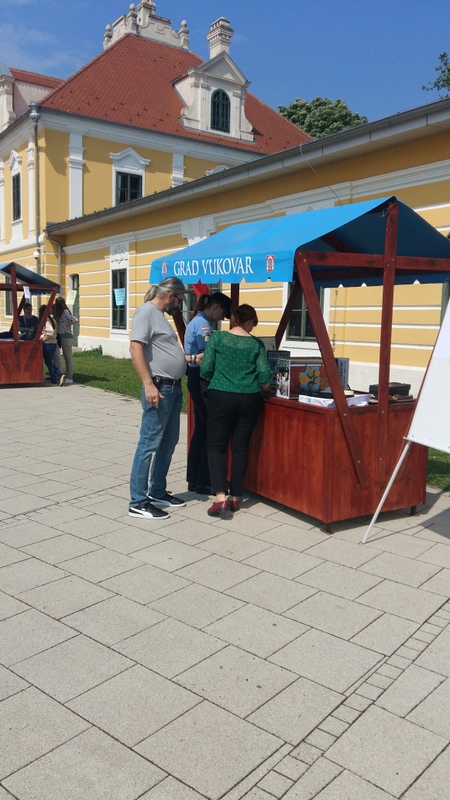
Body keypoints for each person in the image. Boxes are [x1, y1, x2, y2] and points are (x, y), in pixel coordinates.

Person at [200, 303, 272, 519]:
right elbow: (265, 376)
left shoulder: (218, 338)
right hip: (249, 398)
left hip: (221, 396)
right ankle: (235, 497)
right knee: (241, 447)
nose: (252, 328)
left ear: (234, 319)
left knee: (216, 446)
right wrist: (264, 386)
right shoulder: (256, 344)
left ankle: (220, 498)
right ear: (249, 321)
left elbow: (206, 368)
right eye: (253, 324)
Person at [129, 276, 188, 520]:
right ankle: (138, 501)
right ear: (171, 296)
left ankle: (157, 491)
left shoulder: (159, 316)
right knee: (148, 444)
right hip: (159, 388)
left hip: (172, 388)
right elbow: (135, 347)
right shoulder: (146, 312)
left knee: (169, 441)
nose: (179, 305)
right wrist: (148, 384)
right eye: (180, 300)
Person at [184, 291, 232, 495]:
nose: (222, 318)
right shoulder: (204, 325)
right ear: (216, 306)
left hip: (195, 377)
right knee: (208, 430)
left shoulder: (197, 321)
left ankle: (195, 479)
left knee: (201, 430)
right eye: (223, 313)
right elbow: (207, 354)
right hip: (201, 379)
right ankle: (205, 481)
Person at [53, 295, 78, 385]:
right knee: (60, 356)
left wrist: (68, 325)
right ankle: (59, 374)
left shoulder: (64, 311)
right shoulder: (59, 312)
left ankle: (69, 377)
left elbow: (75, 319)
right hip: (60, 335)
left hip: (66, 336)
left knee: (68, 357)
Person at [38, 304, 65, 385]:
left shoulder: (47, 321)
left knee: (48, 362)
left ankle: (59, 375)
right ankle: (53, 379)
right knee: (49, 361)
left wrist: (42, 340)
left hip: (48, 344)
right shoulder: (52, 319)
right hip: (53, 343)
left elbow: (50, 332)